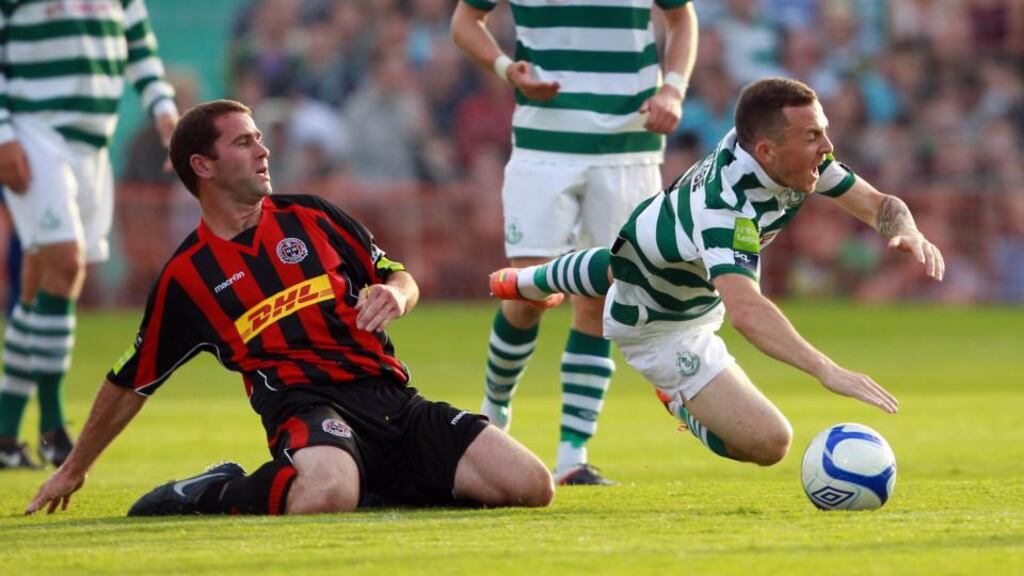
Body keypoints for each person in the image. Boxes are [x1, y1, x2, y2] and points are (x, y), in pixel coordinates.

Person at [25, 100, 553, 517]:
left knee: (532, 485)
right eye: (244, 142)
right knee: (327, 491)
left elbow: (397, 274)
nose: (263, 150)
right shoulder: (187, 277)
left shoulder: (313, 216)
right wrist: (75, 468)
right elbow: (130, 379)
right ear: (202, 165)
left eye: (260, 138)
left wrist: (397, 294)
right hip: (307, 411)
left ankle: (375, 479)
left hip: (393, 401)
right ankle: (210, 492)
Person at [489, 78, 944, 466]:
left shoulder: (787, 157)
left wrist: (908, 230)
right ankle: (677, 401)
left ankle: (529, 280)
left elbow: (880, 204)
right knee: (771, 443)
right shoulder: (726, 211)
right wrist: (827, 371)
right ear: (765, 151)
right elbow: (747, 311)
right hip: (661, 327)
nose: (827, 148)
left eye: (823, 132)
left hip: (657, 241)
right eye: (812, 137)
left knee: (622, 262)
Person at [451, 0, 698, 485]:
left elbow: (682, 16)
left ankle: (572, 455)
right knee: (529, 293)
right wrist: (506, 68)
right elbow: (464, 20)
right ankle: (494, 411)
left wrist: (673, 88)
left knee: (602, 297)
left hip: (629, 146)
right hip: (545, 144)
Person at [0, 0, 179, 469]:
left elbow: (140, 49)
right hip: (34, 130)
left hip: (92, 144)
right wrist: (3, 135)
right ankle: (54, 430)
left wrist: (163, 110)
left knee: (41, 280)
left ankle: (4, 433)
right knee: (66, 263)